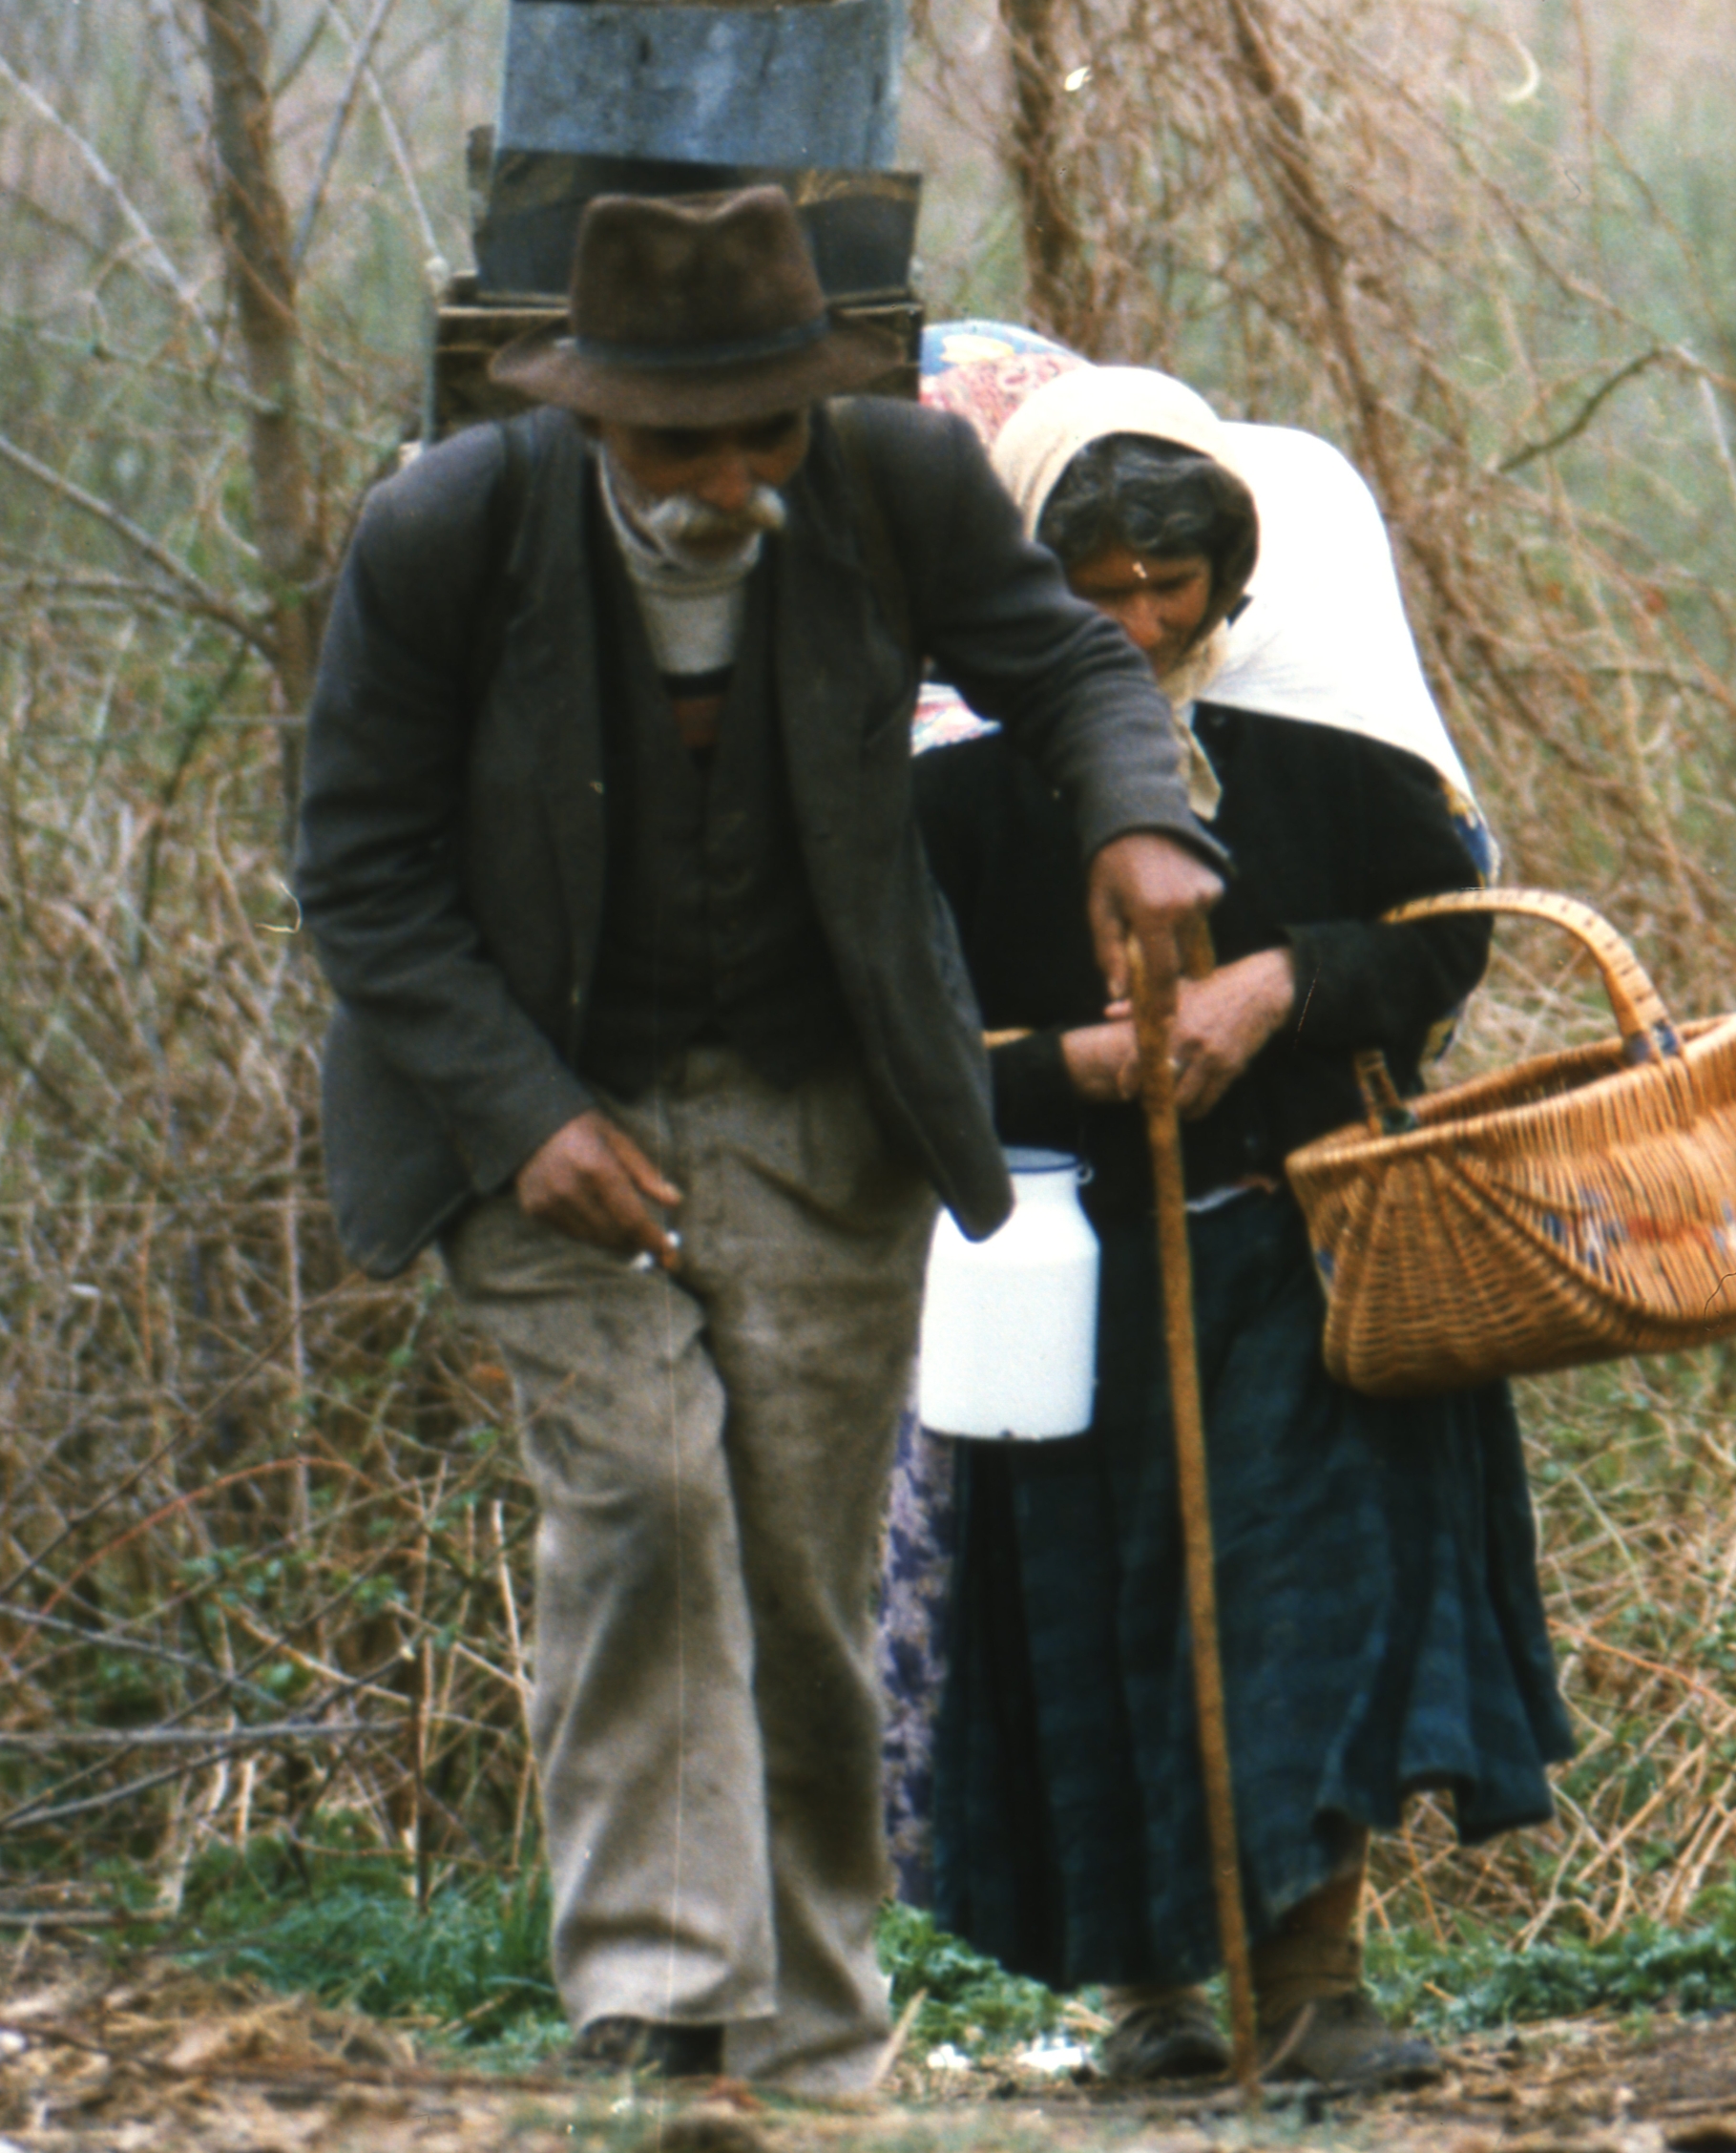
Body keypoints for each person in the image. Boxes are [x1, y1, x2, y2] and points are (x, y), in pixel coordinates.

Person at [291, 189, 1224, 2095]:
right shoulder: (451, 534)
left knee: (797, 1554)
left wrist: (1141, 824)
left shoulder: (891, 488)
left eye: (763, 429)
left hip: (820, 1093)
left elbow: (1067, 668)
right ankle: (656, 2000)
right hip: (542, 1100)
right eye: (678, 438)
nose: (727, 474)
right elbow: (361, 872)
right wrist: (520, 1112)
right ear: (591, 413)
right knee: (644, 1497)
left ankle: (809, 2025)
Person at [887, 364, 1573, 2089]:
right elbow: (896, 1041)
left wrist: (1287, 980)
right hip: (1068, 1274)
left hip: (1308, 1246)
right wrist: (1084, 1061)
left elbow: (1441, 932)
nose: (1134, 619)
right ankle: (1153, 2006)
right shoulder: (955, 783)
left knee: (1300, 1610)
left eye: (1168, 584)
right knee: (1103, 1629)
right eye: (1092, 587)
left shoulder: (1324, 730)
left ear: (1233, 571)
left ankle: (1311, 1991)